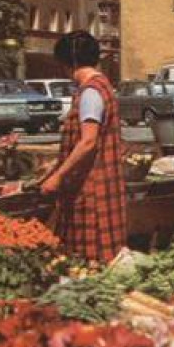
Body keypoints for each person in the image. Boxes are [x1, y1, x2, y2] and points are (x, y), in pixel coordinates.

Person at [40, 31, 127, 263]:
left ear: (70, 63)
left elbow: (88, 141)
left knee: (90, 258)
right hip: (102, 184)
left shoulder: (89, 92)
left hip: (91, 190)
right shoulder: (104, 85)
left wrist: (57, 177)